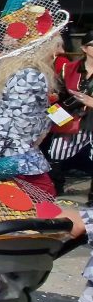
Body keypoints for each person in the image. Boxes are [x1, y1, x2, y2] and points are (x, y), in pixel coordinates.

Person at [0, 0, 68, 198]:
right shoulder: (31, 74)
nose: (58, 52)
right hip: (11, 152)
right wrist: (45, 126)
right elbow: (24, 125)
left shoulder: (18, 69)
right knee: (42, 197)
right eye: (55, 45)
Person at [47, 31, 93, 202]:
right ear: (84, 48)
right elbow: (59, 92)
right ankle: (55, 188)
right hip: (72, 118)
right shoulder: (69, 68)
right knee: (56, 153)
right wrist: (53, 97)